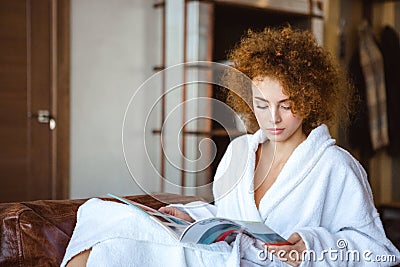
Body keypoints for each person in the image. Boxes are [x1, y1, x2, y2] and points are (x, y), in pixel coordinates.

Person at [63, 27, 400, 266]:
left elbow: (379, 252)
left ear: (310, 100)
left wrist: (310, 247)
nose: (274, 118)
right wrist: (189, 216)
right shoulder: (241, 154)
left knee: (120, 249)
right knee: (101, 213)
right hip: (222, 257)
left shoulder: (333, 166)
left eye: (287, 103)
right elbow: (228, 220)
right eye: (262, 104)